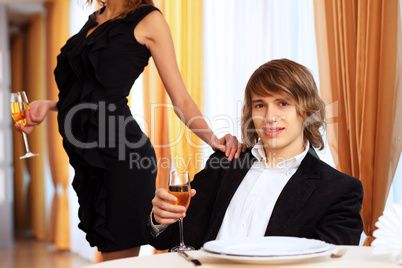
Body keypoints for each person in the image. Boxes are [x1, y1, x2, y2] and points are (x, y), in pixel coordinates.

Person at [15, 0, 244, 261]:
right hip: (88, 162)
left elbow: (180, 99)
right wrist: (49, 105)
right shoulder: (94, 19)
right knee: (108, 255)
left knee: (118, 261)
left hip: (122, 158)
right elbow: (92, 94)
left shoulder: (149, 20)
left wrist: (213, 139)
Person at [145, 58, 364, 251]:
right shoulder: (226, 162)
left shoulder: (339, 191)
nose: (270, 117)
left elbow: (330, 262)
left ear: (306, 110)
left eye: (283, 103)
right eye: (260, 105)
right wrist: (160, 218)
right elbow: (169, 239)